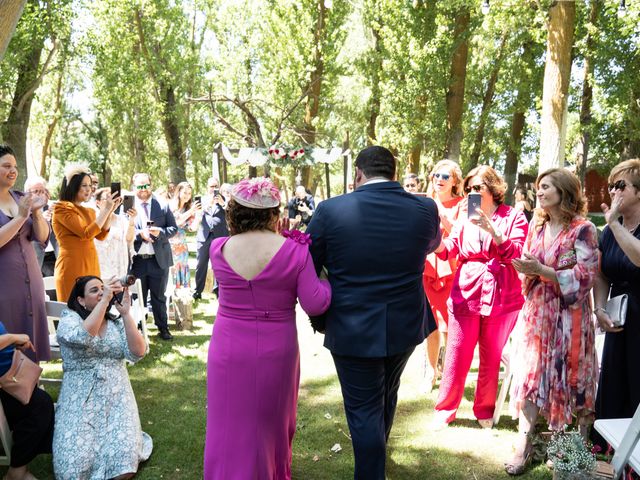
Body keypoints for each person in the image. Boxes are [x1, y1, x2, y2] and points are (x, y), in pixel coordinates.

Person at [307, 146, 441, 480]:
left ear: (358, 174)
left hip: (352, 325)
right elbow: (431, 245)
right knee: (386, 394)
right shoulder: (425, 208)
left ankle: (371, 471)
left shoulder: (330, 210)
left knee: (364, 409)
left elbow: (309, 262)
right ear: (394, 173)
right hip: (405, 321)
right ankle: (377, 455)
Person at [204, 177, 331, 479]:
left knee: (227, 421)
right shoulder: (295, 251)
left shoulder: (218, 248)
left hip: (228, 346)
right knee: (269, 421)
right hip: (276, 348)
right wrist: (326, 280)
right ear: (275, 212)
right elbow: (315, 303)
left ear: (234, 212)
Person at [506, 168, 599, 475]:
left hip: (568, 318)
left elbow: (586, 277)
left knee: (568, 378)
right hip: (536, 315)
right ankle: (524, 444)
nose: (540, 192)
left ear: (564, 191)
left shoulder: (583, 229)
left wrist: (543, 271)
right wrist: (527, 269)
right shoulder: (537, 224)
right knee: (531, 378)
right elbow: (528, 267)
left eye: (546, 187)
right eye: (539, 187)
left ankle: (566, 447)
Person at [432, 165, 528, 430]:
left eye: (477, 188)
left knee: (492, 354)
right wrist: (434, 242)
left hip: (502, 293)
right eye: (469, 189)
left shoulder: (513, 216)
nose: (471, 193)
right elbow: (450, 249)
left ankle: (484, 408)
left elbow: (517, 253)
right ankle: (446, 408)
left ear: (493, 189)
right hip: (467, 289)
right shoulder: (465, 216)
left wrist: (494, 231)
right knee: (458, 352)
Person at [52, 276, 152, 480]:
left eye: (103, 289)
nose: (101, 293)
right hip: (80, 399)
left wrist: (125, 314)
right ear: (80, 300)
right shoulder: (70, 319)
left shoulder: (115, 322)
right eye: (94, 290)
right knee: (71, 471)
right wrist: (105, 299)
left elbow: (138, 352)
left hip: (117, 396)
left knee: (124, 470)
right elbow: (83, 337)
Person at [592, 158, 640, 450]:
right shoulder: (610, 231)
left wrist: (612, 224)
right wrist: (599, 308)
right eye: (610, 186)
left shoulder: (613, 227)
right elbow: (601, 274)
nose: (612, 192)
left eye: (620, 185)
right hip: (618, 318)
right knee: (614, 384)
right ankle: (610, 448)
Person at [0, 145, 51, 362]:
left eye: (15, 167)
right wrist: (21, 217)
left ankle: (31, 389)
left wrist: (37, 215)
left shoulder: (21, 196)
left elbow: (41, 237)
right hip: (5, 284)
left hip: (32, 281)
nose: (13, 171)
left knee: (31, 341)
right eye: (6, 166)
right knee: (8, 339)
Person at [422, 160, 464, 392]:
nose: (439, 179)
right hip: (427, 270)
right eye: (436, 175)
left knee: (450, 326)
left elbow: (463, 233)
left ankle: (449, 373)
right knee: (431, 325)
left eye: (445, 176)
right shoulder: (425, 202)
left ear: (455, 181)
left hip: (452, 269)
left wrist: (441, 215)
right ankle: (430, 371)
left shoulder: (464, 204)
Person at [52, 164, 117, 303]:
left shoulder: (89, 211)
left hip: (91, 264)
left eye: (90, 185)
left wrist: (110, 211)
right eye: (84, 185)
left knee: (93, 310)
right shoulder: (62, 208)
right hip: (72, 266)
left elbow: (101, 235)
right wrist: (105, 211)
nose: (89, 189)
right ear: (73, 186)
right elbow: (86, 233)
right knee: (73, 313)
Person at [0, 323, 54, 480]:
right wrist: (12, 338)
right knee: (39, 406)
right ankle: (17, 472)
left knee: (41, 403)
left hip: (9, 379)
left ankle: (19, 466)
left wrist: (13, 343)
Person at [129, 173, 177, 341]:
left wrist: (160, 232)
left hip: (159, 260)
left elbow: (173, 228)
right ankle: (139, 329)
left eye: (145, 185)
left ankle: (163, 328)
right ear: (134, 187)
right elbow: (121, 229)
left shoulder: (162, 205)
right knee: (137, 297)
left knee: (159, 297)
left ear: (151, 185)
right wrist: (138, 234)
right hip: (138, 261)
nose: (143, 189)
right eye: (139, 186)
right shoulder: (128, 207)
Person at [193, 178, 228, 301]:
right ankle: (198, 290)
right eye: (211, 186)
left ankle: (218, 289)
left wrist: (222, 203)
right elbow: (196, 215)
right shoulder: (202, 200)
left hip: (219, 235)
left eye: (216, 186)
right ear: (207, 187)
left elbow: (230, 212)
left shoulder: (224, 200)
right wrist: (207, 205)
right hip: (204, 235)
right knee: (201, 263)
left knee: (218, 264)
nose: (213, 189)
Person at [94, 187, 137, 280]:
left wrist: (132, 220)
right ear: (97, 203)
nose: (111, 202)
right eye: (108, 199)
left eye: (114, 199)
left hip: (119, 270)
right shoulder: (94, 220)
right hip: (99, 271)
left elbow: (129, 239)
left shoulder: (121, 220)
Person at [24, 175, 58, 277]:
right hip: (35, 260)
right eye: (36, 191)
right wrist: (40, 218)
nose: (40, 195)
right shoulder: (23, 209)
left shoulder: (52, 207)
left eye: (42, 191)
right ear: (26, 193)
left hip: (53, 258)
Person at [169, 181, 200, 290]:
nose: (187, 196)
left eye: (189, 193)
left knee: (182, 267)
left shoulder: (188, 208)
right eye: (185, 192)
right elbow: (176, 221)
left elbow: (192, 228)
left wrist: (198, 215)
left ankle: (181, 296)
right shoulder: (172, 205)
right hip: (170, 243)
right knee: (172, 268)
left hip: (182, 245)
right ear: (179, 192)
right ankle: (171, 295)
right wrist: (192, 211)